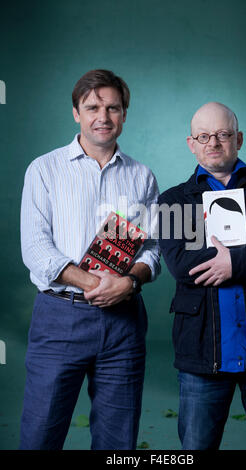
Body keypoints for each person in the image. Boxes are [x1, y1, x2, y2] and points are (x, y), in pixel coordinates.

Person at [20, 69, 160, 450]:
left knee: (118, 443)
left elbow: (153, 247)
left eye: (113, 107)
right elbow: (35, 249)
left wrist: (129, 282)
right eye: (93, 106)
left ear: (124, 114)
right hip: (60, 317)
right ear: (76, 113)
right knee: (40, 436)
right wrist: (96, 284)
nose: (103, 116)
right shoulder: (44, 169)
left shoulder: (142, 177)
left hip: (124, 323)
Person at [158, 102, 246, 450]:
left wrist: (234, 264)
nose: (214, 143)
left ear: (238, 138)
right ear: (192, 143)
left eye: (222, 134)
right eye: (204, 136)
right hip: (202, 354)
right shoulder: (173, 200)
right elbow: (180, 263)